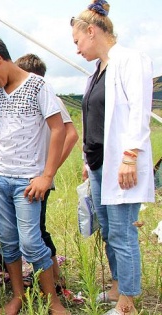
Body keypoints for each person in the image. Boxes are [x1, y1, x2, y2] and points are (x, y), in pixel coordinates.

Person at [0, 33, 68, 314]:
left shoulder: (38, 86)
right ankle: (18, 296)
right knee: (9, 241)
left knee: (32, 241)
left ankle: (53, 302)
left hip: (28, 181)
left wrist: (47, 177)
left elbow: (59, 129)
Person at [70, 1, 154, 314]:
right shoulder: (96, 72)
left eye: (77, 41)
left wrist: (130, 157)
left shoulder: (130, 60)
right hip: (98, 164)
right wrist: (85, 160)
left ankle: (128, 303)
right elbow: (92, 117)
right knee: (107, 230)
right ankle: (118, 285)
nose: (76, 49)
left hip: (120, 163)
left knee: (122, 232)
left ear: (91, 32)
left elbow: (138, 112)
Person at [14, 54, 79, 290]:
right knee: (33, 229)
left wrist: (47, 173)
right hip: (29, 176)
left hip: (38, 179)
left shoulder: (48, 97)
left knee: (37, 230)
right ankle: (50, 276)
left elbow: (71, 135)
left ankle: (54, 279)